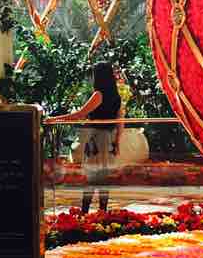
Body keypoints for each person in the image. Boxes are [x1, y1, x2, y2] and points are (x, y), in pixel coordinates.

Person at [54, 62, 151, 213]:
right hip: (109, 139)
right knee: (103, 178)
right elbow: (120, 122)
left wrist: (54, 119)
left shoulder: (98, 95)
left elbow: (80, 114)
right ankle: (102, 212)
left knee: (92, 176)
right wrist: (117, 143)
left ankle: (85, 212)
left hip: (97, 139)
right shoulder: (116, 97)